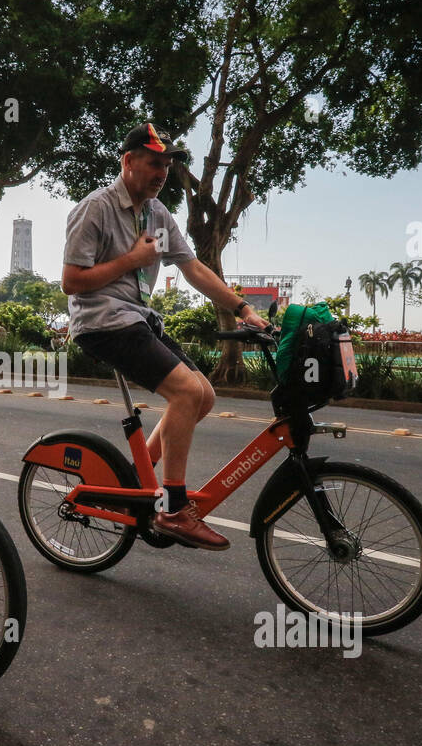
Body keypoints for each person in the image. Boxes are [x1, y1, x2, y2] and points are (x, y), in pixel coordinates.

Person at [62, 122, 269, 551]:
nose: (162, 172)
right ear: (128, 161)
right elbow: (71, 281)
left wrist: (243, 308)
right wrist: (133, 259)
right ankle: (173, 509)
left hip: (139, 320)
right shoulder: (95, 208)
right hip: (102, 322)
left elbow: (193, 268)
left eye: (167, 165)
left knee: (204, 395)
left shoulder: (158, 215)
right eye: (154, 162)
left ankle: (142, 483)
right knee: (185, 394)